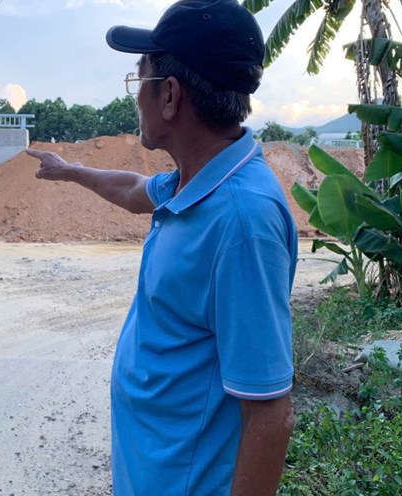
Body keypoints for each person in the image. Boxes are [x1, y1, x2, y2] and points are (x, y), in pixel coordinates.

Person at [24, 1, 297, 494]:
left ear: (169, 95)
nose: (136, 99)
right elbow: (133, 191)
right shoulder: (191, 183)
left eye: (139, 82)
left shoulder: (242, 223)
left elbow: (269, 412)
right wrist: (70, 171)